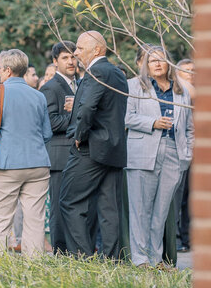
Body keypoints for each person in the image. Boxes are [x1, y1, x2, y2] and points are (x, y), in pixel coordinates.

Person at [58, 30, 128, 260]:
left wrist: (79, 134)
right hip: (115, 149)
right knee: (109, 209)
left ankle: (82, 257)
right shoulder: (118, 73)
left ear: (96, 49)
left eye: (79, 48)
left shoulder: (95, 72)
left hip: (91, 147)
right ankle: (111, 259)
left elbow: (88, 107)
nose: (75, 52)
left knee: (69, 200)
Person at [125, 45, 194, 267]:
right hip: (143, 152)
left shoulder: (180, 90)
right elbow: (126, 117)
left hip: (174, 152)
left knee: (161, 212)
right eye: (152, 60)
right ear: (144, 64)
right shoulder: (133, 86)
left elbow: (190, 128)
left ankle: (156, 259)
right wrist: (152, 123)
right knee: (140, 210)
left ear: (169, 63)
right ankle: (140, 259)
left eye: (161, 60)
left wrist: (188, 154)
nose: (157, 64)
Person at [0, 50, 52, 255]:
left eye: (0, 69)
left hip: (7, 164)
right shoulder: (38, 95)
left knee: (1, 219)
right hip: (38, 163)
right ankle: (34, 265)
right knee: (35, 220)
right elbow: (47, 133)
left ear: (8, 70)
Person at [40, 41, 78, 253]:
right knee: (59, 208)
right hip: (59, 155)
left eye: (73, 56)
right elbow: (51, 122)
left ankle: (78, 251)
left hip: (80, 155)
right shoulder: (50, 87)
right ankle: (61, 252)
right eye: (65, 57)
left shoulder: (82, 84)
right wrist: (78, 115)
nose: (71, 61)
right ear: (55, 62)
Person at [173, 58, 195, 251]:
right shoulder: (177, 92)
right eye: (187, 70)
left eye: (193, 70)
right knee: (178, 195)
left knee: (191, 198)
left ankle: (188, 239)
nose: (191, 73)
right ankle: (177, 238)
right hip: (180, 150)